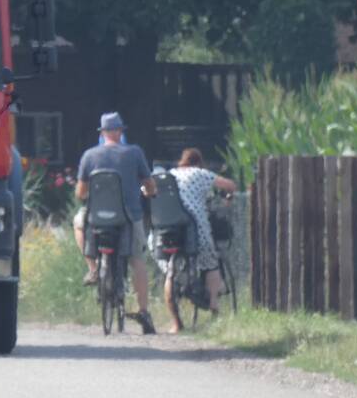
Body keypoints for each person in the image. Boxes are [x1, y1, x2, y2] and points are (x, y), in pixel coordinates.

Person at [75, 112, 157, 335]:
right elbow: (148, 184)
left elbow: (80, 193)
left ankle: (92, 267)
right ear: (120, 132)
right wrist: (149, 192)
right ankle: (143, 312)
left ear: (102, 133)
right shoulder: (134, 153)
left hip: (96, 217)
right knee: (137, 260)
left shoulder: (89, 156)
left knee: (78, 223)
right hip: (129, 217)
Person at [164, 147, 237, 332]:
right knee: (211, 262)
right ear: (198, 162)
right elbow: (230, 185)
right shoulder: (200, 173)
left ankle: (175, 324)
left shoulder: (169, 175)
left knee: (170, 273)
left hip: (168, 231)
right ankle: (214, 305)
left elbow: (146, 188)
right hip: (194, 228)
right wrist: (228, 198)